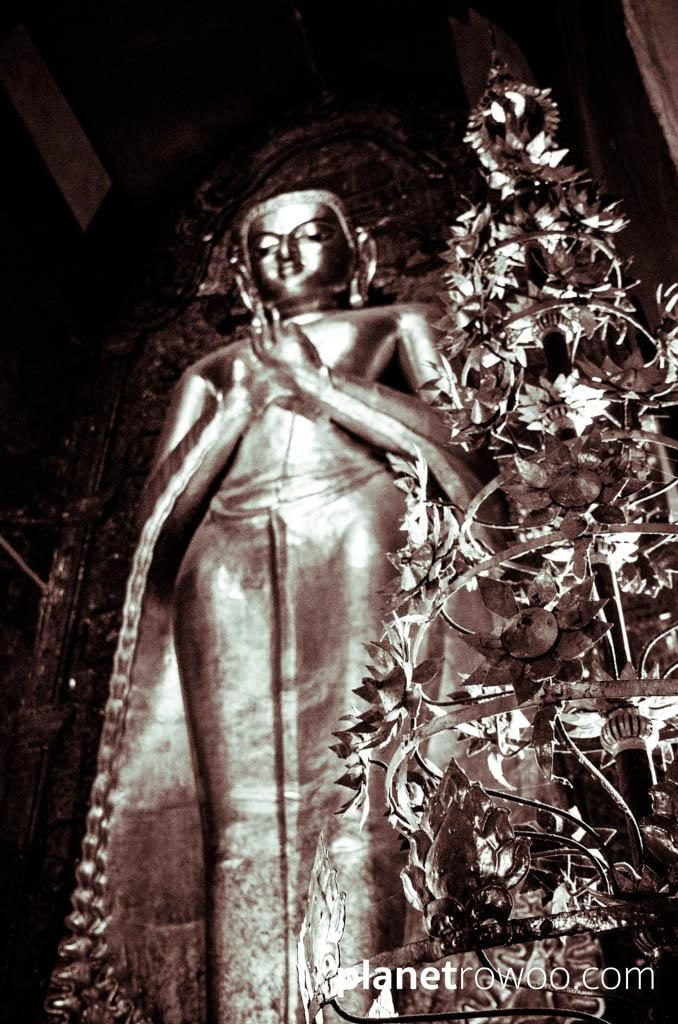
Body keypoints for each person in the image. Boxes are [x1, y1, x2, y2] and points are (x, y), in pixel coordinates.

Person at [47, 189, 480, 1024]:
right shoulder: (210, 372)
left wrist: (323, 389)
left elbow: (462, 441)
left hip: (358, 528)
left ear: (359, 255)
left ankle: (356, 1000)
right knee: (239, 816)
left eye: (313, 236)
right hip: (227, 564)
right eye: (267, 247)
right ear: (243, 277)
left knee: (362, 782)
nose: (289, 255)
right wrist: (239, 407)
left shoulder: (395, 324)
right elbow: (155, 524)